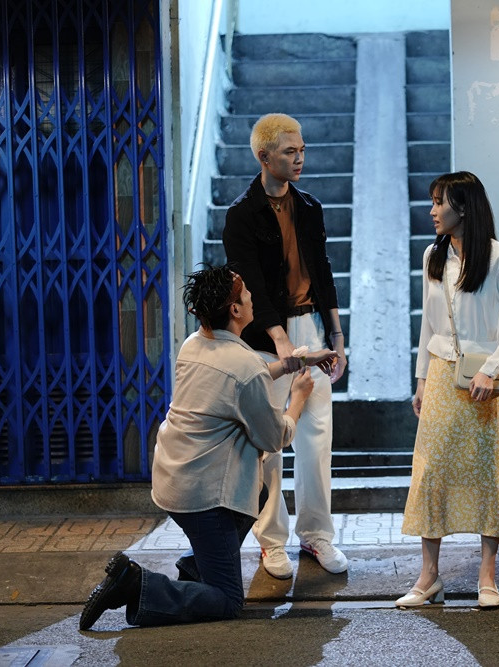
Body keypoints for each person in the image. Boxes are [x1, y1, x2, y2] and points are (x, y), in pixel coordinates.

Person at [79, 265, 337, 630]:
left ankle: (195, 567)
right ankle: (136, 584)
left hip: (174, 478)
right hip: (202, 496)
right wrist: (298, 397)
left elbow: (244, 376)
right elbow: (274, 437)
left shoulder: (194, 344)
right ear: (235, 309)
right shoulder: (243, 365)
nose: (251, 296)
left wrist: (294, 363)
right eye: (245, 291)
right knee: (227, 600)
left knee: (258, 492)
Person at [398, 171, 499, 610]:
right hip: (442, 375)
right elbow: (429, 325)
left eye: (439, 202)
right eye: (433, 202)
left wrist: (490, 371)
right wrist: (421, 379)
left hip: (486, 382)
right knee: (431, 473)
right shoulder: (433, 257)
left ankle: (487, 576)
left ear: (463, 207)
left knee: (487, 475)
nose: (432, 211)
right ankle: (428, 577)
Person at [222, 113, 349, 579]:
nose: (300, 159)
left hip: (310, 328)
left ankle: (316, 535)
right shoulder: (241, 214)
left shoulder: (309, 206)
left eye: (302, 150)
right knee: (269, 443)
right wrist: (280, 341)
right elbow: (249, 282)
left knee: (317, 436)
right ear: (264, 156)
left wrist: (336, 337)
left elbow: (324, 271)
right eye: (290, 151)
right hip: (264, 339)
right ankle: (271, 541)